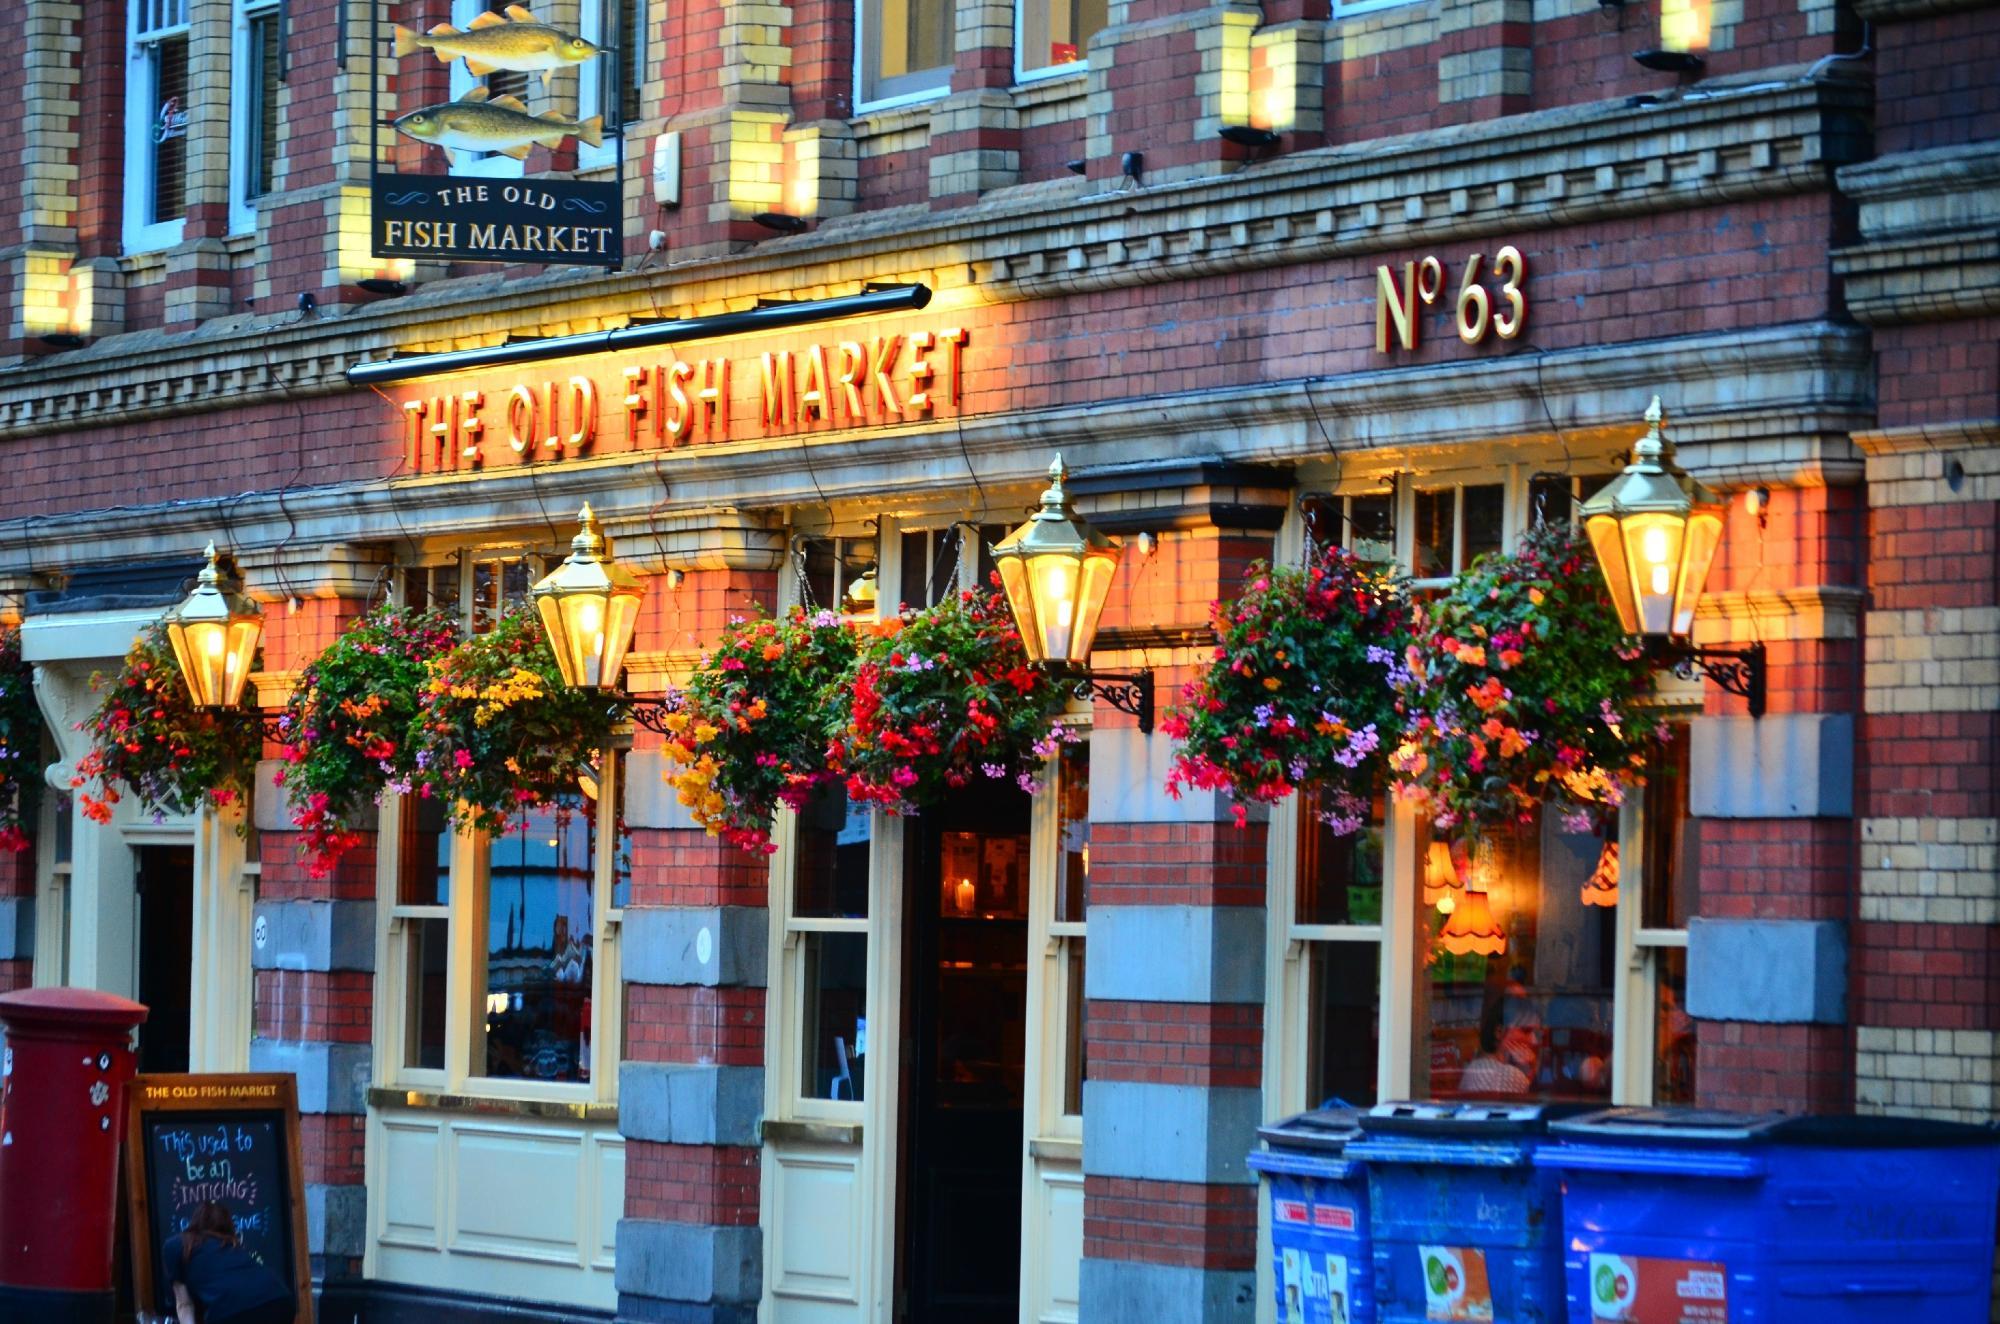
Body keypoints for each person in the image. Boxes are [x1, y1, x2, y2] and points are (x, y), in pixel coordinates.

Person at [161, 1202, 293, 1324]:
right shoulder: (232, 1244)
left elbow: (184, 1304)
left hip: (231, 1310)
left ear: (194, 1221)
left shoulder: (175, 1245)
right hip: (278, 1297)